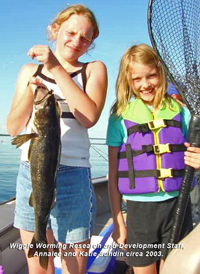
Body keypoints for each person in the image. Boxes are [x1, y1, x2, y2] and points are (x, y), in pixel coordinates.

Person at [7, 4, 107, 274]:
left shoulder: (93, 69)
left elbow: (88, 117)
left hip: (74, 177)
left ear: (92, 41)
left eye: (85, 38)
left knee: (75, 268)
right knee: (39, 267)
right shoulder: (30, 71)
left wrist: (55, 67)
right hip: (32, 174)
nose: (76, 41)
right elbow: (14, 127)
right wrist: (33, 88)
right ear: (55, 30)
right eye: (70, 32)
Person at [106, 44, 200, 274]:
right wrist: (118, 220)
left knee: (176, 269)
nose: (145, 84)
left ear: (161, 72)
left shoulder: (182, 111)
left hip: (178, 206)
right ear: (127, 81)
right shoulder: (119, 118)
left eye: (151, 76)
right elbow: (113, 175)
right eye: (137, 79)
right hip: (139, 212)